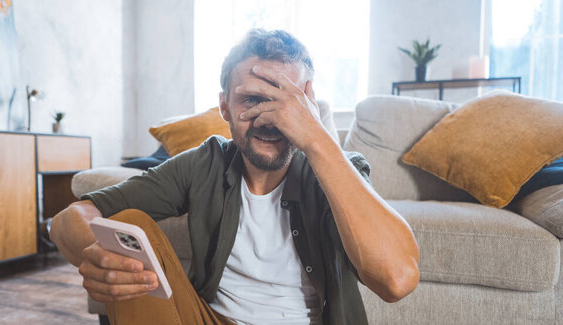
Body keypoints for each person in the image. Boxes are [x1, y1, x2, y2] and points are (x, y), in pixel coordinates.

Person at [51, 29, 419, 325]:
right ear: (224, 106)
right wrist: (95, 257)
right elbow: (71, 218)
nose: (267, 119)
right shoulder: (205, 163)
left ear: (307, 104)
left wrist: (318, 139)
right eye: (250, 100)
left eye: (283, 102)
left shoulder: (338, 168)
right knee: (128, 228)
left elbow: (398, 280)